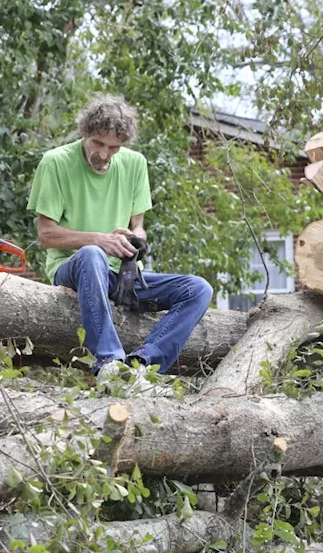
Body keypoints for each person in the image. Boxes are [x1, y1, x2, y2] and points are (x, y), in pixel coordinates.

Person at [28, 95, 212, 377]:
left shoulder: (135, 164)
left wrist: (135, 238)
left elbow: (139, 226)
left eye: (113, 147)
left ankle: (142, 366)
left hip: (122, 278)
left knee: (198, 289)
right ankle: (109, 363)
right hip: (75, 270)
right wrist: (100, 240)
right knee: (92, 254)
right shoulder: (55, 163)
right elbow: (46, 235)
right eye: (98, 144)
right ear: (84, 133)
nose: (104, 154)